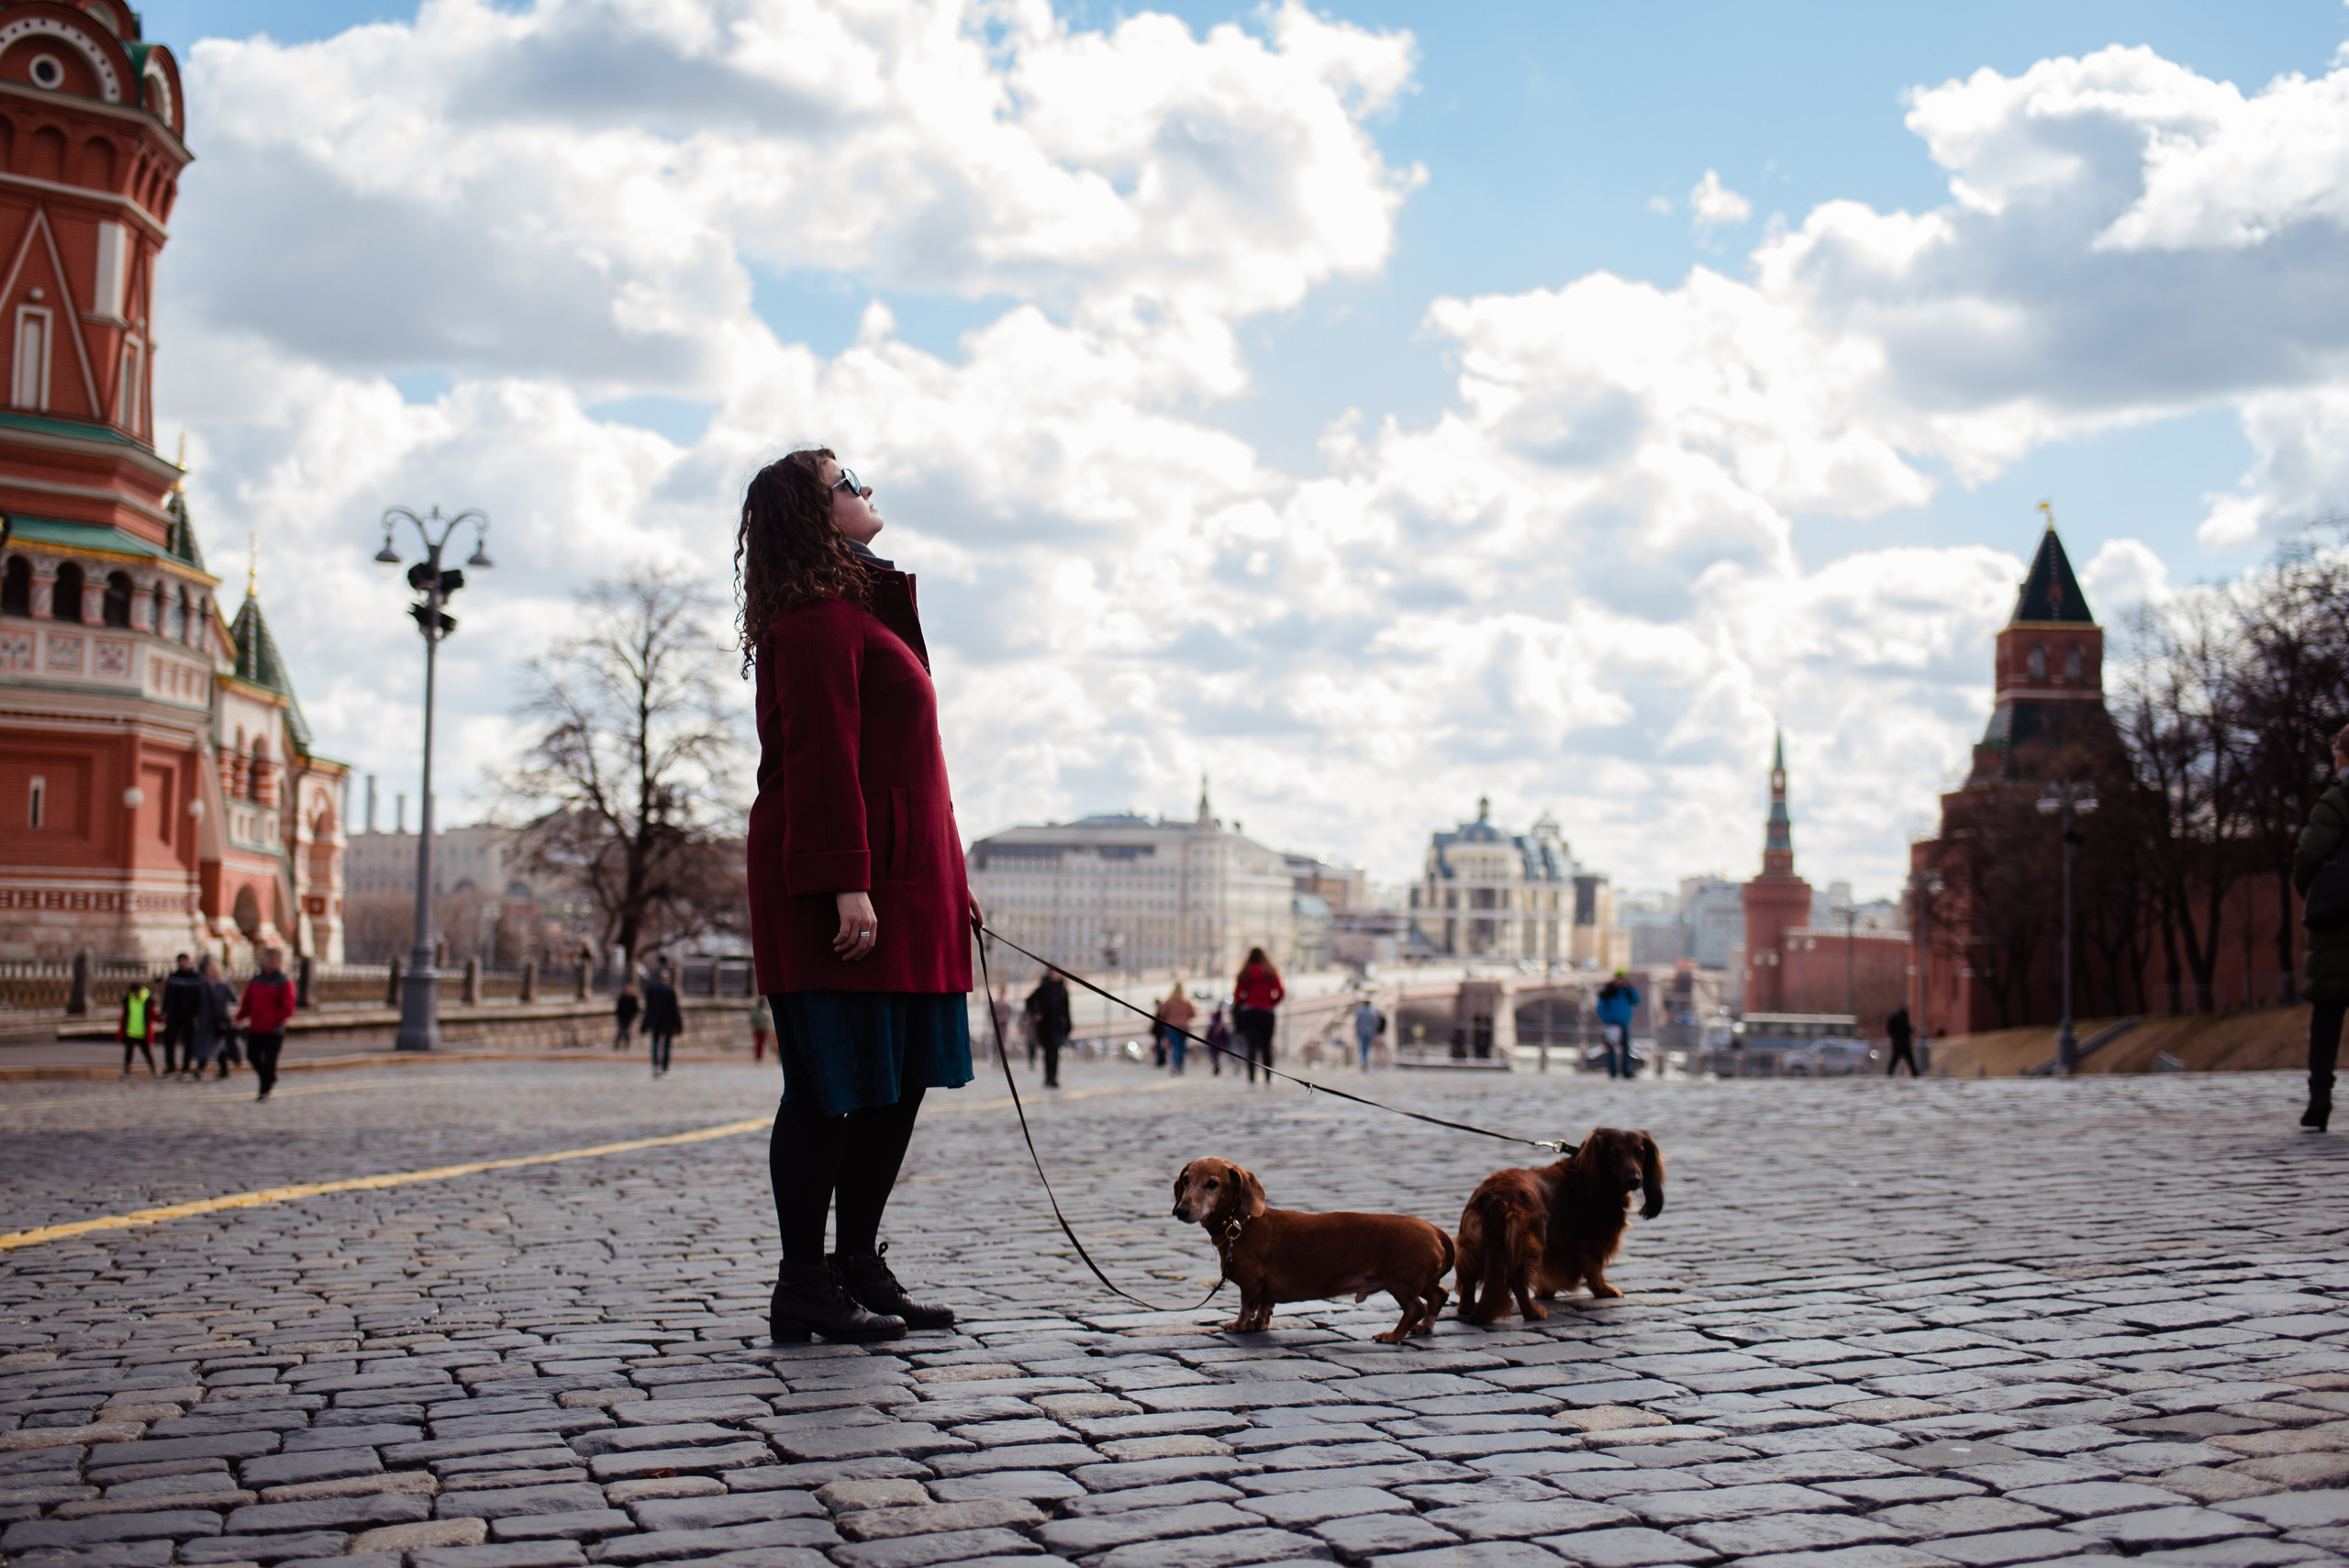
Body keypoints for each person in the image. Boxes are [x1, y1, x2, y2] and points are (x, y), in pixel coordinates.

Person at [740, 447, 974, 1345]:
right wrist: (847, 883)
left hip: (906, 886)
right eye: (846, 483)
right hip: (843, 888)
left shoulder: (863, 611)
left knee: (895, 1087)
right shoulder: (811, 621)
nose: (865, 488)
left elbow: (914, 766)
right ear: (814, 513)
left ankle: (856, 1264)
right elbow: (820, 761)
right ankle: (803, 1282)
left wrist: (954, 880)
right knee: (828, 1089)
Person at [2293, 720, 2349, 1133]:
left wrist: (2317, 896)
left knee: (2328, 1013)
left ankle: (2320, 1100)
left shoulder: (2337, 800)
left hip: (2338, 922)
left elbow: (2308, 855)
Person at [235, 946, 295, 1101]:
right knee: (252, 1056)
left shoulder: (283, 981)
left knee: (269, 1060)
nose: (269, 964)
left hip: (274, 1029)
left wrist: (276, 1018)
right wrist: (240, 1017)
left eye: (273, 961)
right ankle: (268, 1078)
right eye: (268, 961)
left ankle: (264, 1090)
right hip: (256, 1026)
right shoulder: (256, 980)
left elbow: (288, 1006)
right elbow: (247, 1001)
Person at [1233, 947, 1285, 1084]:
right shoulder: (1270, 972)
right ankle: (1268, 1077)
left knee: (1251, 1046)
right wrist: (1271, 1002)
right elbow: (1280, 991)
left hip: (1249, 1012)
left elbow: (1237, 995)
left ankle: (1251, 1078)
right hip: (1267, 1013)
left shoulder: (1245, 973)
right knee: (1267, 1046)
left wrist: (1246, 1002)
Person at [187, 955, 235, 1081]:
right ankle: (207, 1069)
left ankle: (204, 1069)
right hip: (206, 1019)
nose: (209, 971)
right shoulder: (202, 984)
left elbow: (234, 998)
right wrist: (196, 1015)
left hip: (220, 1020)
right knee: (208, 1044)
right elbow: (197, 1001)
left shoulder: (223, 985)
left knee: (217, 1045)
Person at [1026, 970, 1071, 1089]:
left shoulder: (1062, 990)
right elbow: (1029, 1001)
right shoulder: (1043, 988)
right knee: (1047, 1052)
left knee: (1055, 1052)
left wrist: (1068, 1025)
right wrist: (1036, 1013)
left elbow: (1067, 1009)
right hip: (1045, 1025)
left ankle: (1054, 1078)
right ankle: (1048, 1078)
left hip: (1058, 1026)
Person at [159, 953, 199, 1077]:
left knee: (188, 1041)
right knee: (169, 1038)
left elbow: (198, 997)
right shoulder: (173, 977)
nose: (182, 964)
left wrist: (197, 1014)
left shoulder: (195, 977)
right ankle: (170, 1066)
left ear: (188, 962)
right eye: (180, 962)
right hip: (174, 1013)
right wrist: (165, 1011)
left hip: (189, 1014)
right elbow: (167, 995)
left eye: (184, 961)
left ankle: (186, 1067)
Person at [1595, 972, 1640, 1080]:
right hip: (1611, 1025)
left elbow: (1636, 1001)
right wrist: (1608, 1020)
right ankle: (1612, 1072)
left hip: (1623, 1024)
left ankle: (1626, 1071)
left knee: (1625, 1048)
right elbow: (1600, 1008)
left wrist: (1631, 988)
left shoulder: (1626, 991)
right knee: (1611, 1049)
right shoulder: (1608, 992)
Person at [642, 965, 684, 1077]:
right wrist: (677, 1024)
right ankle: (665, 1067)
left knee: (655, 1043)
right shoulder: (670, 991)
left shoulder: (653, 990)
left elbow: (649, 1008)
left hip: (656, 1021)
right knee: (666, 1045)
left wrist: (646, 1022)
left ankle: (656, 1065)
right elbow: (674, 1009)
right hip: (668, 1021)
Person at [118, 976, 158, 1076]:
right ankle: (127, 1071)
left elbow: (152, 1013)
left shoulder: (147, 1000)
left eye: (137, 992)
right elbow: (125, 1015)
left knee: (147, 1053)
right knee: (129, 1053)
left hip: (143, 1032)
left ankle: (154, 1070)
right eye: (134, 992)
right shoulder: (129, 1000)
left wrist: (160, 1019)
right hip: (131, 1031)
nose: (136, 994)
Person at [1157, 981, 1197, 1076]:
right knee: (1182, 1047)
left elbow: (1162, 1013)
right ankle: (1180, 1066)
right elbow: (1193, 1013)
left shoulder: (1169, 1001)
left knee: (1175, 1047)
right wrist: (1184, 1017)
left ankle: (1175, 1066)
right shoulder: (1186, 1002)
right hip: (1184, 1026)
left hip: (1172, 1026)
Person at [987, 983, 1017, 1073]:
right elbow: (990, 1014)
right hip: (997, 1027)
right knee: (996, 1044)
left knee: (1002, 1045)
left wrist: (1005, 1018)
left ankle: (1000, 1062)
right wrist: (998, 1019)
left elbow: (1011, 1015)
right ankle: (996, 1060)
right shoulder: (996, 1003)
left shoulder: (1007, 1004)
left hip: (1004, 1028)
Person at [1885, 1005, 1918, 1077]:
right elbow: (1907, 1029)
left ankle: (1889, 1073)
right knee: (1910, 1060)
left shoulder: (1893, 1017)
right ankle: (1915, 1074)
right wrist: (1912, 1029)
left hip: (1897, 1043)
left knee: (1894, 1060)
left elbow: (1890, 1030)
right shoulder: (1903, 1017)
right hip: (1905, 1043)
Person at [1353, 995, 1383, 1073]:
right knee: (1367, 1048)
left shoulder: (1360, 1011)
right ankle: (1366, 1063)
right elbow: (1375, 1023)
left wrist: (1358, 1031)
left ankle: (1364, 1063)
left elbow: (1357, 1023)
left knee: (1363, 1049)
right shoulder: (1372, 1012)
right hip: (1370, 1033)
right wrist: (1374, 1031)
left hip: (1362, 1032)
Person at [1206, 1002, 1231, 1075]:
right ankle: (1217, 1067)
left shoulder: (1212, 1025)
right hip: (1219, 1044)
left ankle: (1216, 1067)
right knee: (1217, 1057)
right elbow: (1226, 1036)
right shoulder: (1222, 1026)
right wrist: (1226, 1043)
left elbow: (1208, 1035)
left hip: (1213, 1044)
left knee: (1214, 1057)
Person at [613, 983, 640, 1051]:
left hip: (629, 1018)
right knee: (620, 1030)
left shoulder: (633, 998)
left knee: (627, 1031)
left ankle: (627, 1045)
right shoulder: (622, 998)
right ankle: (617, 1045)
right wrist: (618, 1015)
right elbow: (618, 1008)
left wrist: (634, 1015)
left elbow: (636, 1008)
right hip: (622, 1017)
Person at [749, 995, 774, 1063]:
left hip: (763, 1029)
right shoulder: (755, 1012)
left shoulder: (764, 1012)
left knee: (762, 1043)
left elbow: (766, 1022)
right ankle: (758, 1057)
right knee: (758, 1043)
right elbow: (752, 1020)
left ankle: (760, 1056)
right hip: (758, 1029)